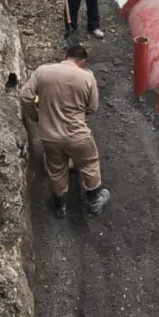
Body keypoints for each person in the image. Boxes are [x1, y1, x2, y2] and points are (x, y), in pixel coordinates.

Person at [19, 44, 111, 218]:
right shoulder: (87, 77)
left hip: (49, 136)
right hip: (77, 136)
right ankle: (94, 202)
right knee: (89, 163)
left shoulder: (42, 71)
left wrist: (36, 116)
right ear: (82, 61)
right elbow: (93, 107)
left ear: (66, 55)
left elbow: (25, 96)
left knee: (56, 169)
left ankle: (59, 207)